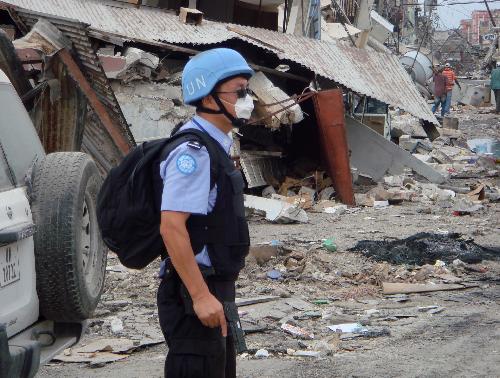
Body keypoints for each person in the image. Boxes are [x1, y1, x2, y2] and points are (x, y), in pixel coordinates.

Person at [156, 48, 253, 378]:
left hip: (214, 289)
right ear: (208, 95)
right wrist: (199, 296)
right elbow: (172, 226)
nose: (247, 99)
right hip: (193, 293)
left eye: (247, 91)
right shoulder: (193, 153)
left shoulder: (217, 145)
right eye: (239, 91)